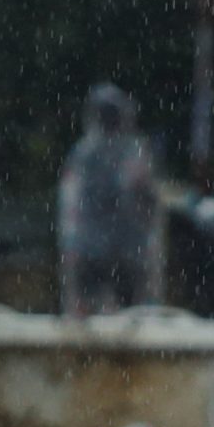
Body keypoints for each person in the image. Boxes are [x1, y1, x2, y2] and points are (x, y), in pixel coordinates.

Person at [58, 84, 160, 318]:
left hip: (92, 251)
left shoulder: (82, 153)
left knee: (85, 318)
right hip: (125, 253)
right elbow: (147, 202)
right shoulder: (133, 152)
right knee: (132, 319)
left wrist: (72, 246)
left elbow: (70, 208)